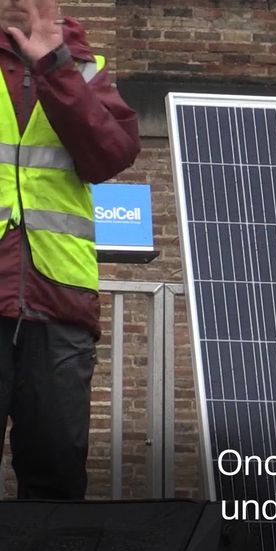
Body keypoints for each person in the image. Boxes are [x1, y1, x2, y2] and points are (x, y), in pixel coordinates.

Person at [0, 0, 140, 499]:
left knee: (56, 480)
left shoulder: (83, 66)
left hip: (60, 304)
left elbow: (110, 156)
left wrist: (53, 67)